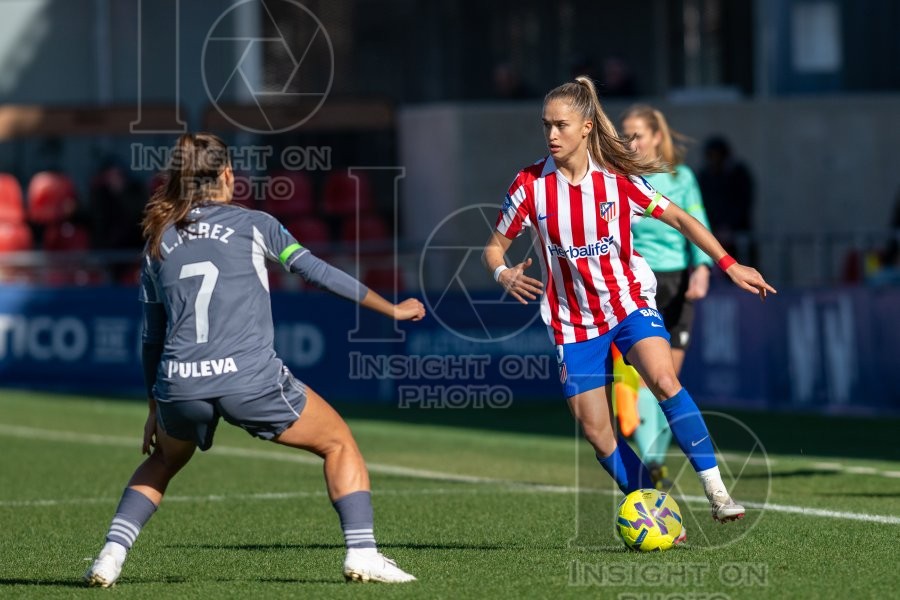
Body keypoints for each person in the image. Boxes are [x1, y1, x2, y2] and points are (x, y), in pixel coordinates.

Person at [84, 133, 424, 587]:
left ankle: (109, 557)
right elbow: (315, 272)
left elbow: (152, 337)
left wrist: (153, 406)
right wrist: (393, 308)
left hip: (179, 384)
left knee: (163, 460)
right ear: (228, 175)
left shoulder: (159, 240)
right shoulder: (256, 226)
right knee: (339, 442)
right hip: (248, 379)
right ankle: (363, 553)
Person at [482, 78, 775, 535]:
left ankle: (718, 492)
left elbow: (679, 216)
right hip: (572, 322)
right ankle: (657, 511)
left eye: (561, 125)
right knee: (598, 433)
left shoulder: (617, 181)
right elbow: (493, 248)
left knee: (663, 378)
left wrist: (729, 264)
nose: (552, 135)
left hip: (627, 303)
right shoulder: (529, 185)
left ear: (584, 128)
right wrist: (504, 273)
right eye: (546, 126)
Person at [618, 104, 714, 489]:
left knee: (670, 377)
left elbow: (695, 222)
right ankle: (654, 463)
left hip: (678, 281)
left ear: (657, 136)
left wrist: (702, 268)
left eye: (637, 134)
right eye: (625, 134)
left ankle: (654, 457)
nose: (630, 142)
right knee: (649, 375)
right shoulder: (620, 177)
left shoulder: (680, 178)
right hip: (641, 282)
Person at [697, 136, 755, 264]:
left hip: (738, 233)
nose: (714, 160)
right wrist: (713, 227)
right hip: (712, 233)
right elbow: (702, 203)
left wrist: (729, 226)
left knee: (744, 267)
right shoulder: (704, 176)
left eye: (717, 156)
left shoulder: (738, 173)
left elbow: (743, 202)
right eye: (711, 156)